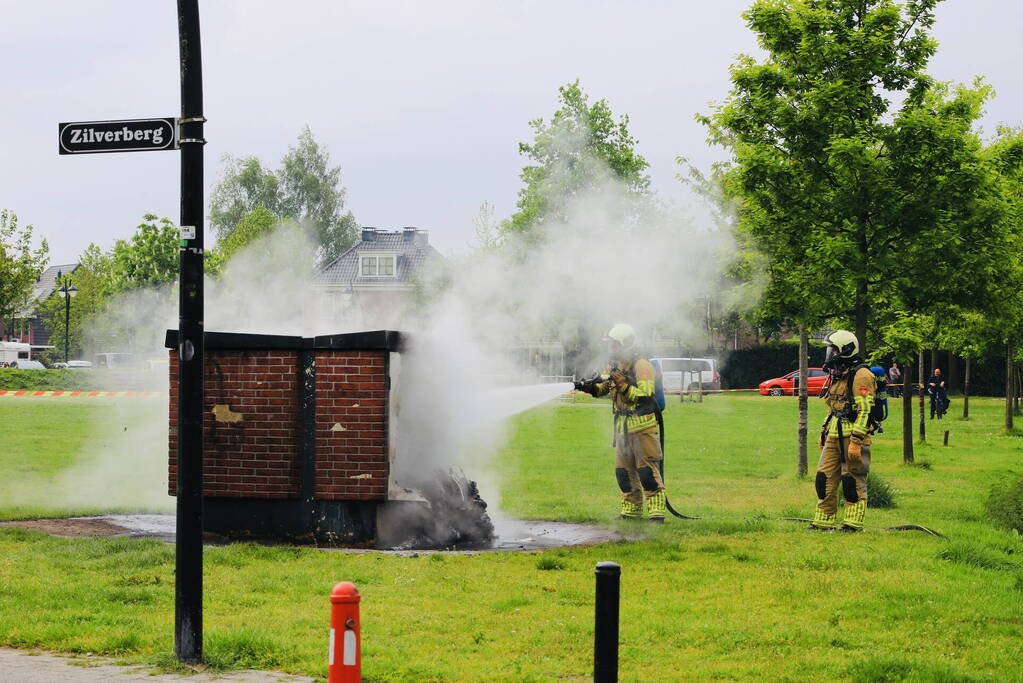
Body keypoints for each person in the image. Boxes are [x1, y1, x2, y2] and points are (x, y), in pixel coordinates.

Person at [574, 323, 668, 522]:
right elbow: (604, 389)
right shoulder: (615, 366)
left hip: (643, 427)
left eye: (615, 345)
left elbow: (645, 395)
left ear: (626, 344)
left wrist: (624, 385)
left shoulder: (641, 365)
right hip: (622, 429)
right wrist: (588, 387)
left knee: (646, 471)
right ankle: (631, 510)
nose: (611, 349)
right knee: (623, 473)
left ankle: (656, 513)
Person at [809, 330, 876, 532]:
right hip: (834, 434)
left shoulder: (862, 375)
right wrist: (825, 431)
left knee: (851, 479)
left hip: (852, 436)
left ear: (846, 350)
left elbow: (865, 411)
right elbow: (833, 406)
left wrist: (856, 441)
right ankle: (823, 522)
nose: (830, 354)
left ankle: (853, 524)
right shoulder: (838, 373)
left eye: (834, 350)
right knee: (824, 477)